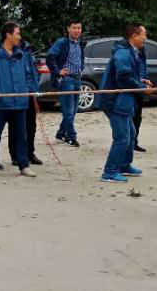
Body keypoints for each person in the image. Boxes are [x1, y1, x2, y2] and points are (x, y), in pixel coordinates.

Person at [97, 23, 151, 183]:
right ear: (135, 36)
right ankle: (109, 172)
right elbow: (123, 78)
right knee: (122, 137)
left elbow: (129, 75)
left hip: (124, 101)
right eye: (144, 34)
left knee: (131, 134)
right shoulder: (123, 53)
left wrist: (141, 81)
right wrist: (142, 88)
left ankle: (124, 165)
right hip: (114, 101)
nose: (146, 38)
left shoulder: (131, 51)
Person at [0, 22, 37, 178]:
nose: (20, 37)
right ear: (8, 35)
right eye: (17, 33)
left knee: (21, 136)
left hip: (20, 102)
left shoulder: (21, 54)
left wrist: (26, 90)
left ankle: (23, 165)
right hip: (1, 103)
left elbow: (28, 74)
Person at [47, 20, 86, 147]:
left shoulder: (80, 42)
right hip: (66, 80)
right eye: (74, 28)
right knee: (68, 111)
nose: (77, 30)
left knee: (73, 110)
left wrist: (81, 68)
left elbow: (81, 58)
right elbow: (50, 56)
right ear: (68, 29)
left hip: (77, 79)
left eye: (79, 28)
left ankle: (61, 133)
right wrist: (58, 71)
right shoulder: (62, 42)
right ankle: (71, 137)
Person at [17, 37, 43, 166]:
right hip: (18, 93)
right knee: (17, 126)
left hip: (31, 92)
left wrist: (35, 89)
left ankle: (30, 152)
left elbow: (33, 71)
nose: (19, 36)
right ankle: (16, 155)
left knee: (31, 126)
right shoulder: (7, 50)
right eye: (16, 33)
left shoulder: (27, 48)